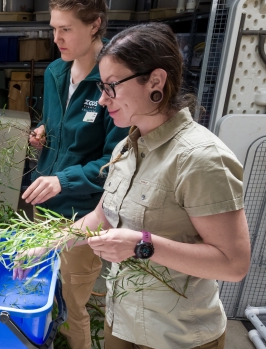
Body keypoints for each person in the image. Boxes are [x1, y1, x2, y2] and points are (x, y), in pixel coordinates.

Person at [18, 22, 251, 348]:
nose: (101, 100)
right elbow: (101, 217)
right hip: (122, 321)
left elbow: (233, 264)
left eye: (111, 85)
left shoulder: (201, 158)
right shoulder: (126, 147)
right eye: (102, 86)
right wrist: (47, 245)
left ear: (155, 81)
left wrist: (142, 245)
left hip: (177, 334)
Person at [21, 0, 128, 347]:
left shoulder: (112, 81)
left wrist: (63, 179)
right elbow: (59, 126)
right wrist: (43, 132)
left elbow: (114, 163)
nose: (56, 38)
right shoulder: (55, 72)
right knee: (42, 288)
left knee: (70, 304)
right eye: (54, 28)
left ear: (95, 25)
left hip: (83, 212)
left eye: (66, 29)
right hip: (45, 201)